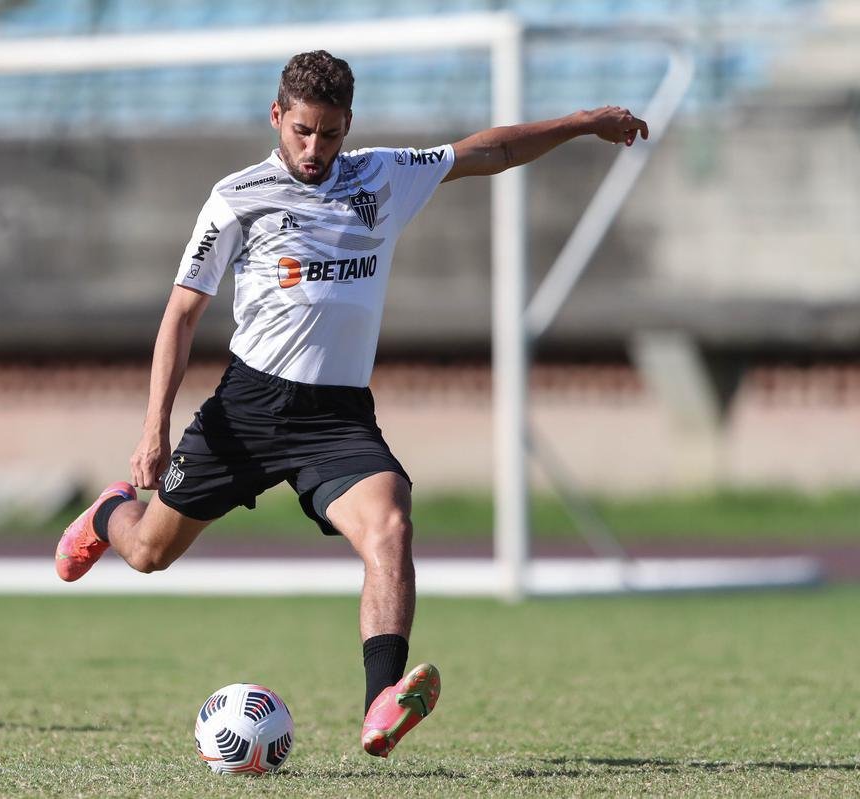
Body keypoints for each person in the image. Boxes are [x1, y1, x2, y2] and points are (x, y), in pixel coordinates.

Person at [56, 50, 647, 758]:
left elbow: (489, 152)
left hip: (336, 418)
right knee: (149, 551)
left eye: (330, 133)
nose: (315, 148)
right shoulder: (236, 197)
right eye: (302, 131)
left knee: (390, 526)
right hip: (248, 408)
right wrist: (153, 428)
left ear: (349, 126)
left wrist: (581, 123)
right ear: (277, 116)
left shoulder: (382, 175)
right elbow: (181, 313)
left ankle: (380, 704)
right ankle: (106, 512)